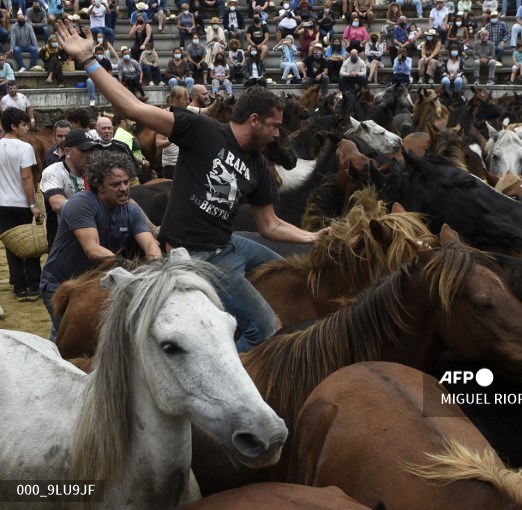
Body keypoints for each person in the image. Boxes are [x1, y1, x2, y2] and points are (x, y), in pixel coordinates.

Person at [57, 19, 326, 351]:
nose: (277, 134)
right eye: (273, 126)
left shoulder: (257, 164)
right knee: (266, 327)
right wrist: (88, 60)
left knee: (285, 270)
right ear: (254, 120)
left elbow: (270, 225)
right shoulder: (201, 129)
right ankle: (228, 369)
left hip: (227, 243)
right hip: (196, 256)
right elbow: (131, 107)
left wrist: (313, 237)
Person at [39, 151, 162, 340]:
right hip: (61, 284)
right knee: (70, 343)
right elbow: (92, 249)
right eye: (115, 184)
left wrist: (156, 268)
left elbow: (150, 244)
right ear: (98, 185)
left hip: (95, 284)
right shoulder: (81, 204)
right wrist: (130, 268)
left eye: (126, 182)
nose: (123, 189)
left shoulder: (131, 210)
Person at [0, 107, 41, 302]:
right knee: (30, 243)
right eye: (23, 125)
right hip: (21, 203)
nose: (26, 128)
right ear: (14, 126)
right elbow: (26, 177)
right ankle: (33, 284)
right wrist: (32, 204)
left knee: (12, 245)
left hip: (2, 204)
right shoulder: (25, 148)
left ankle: (18, 286)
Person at [40, 128, 96, 250]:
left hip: (92, 239)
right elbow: (56, 204)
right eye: (84, 150)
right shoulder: (53, 171)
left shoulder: (95, 172)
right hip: (62, 243)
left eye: (92, 150)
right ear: (67, 151)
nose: (90, 155)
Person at [156, 86, 186, 179]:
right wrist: (173, 139)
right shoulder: (164, 116)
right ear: (175, 100)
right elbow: (158, 143)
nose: (188, 102)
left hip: (187, 164)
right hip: (172, 166)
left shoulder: (188, 113)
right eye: (185, 99)